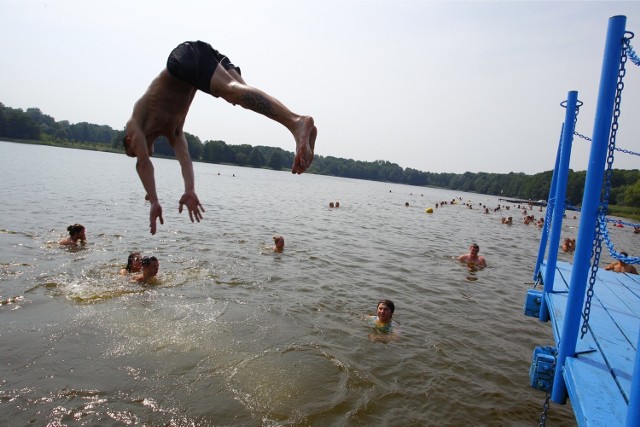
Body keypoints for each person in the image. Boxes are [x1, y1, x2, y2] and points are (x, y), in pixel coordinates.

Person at [123, 40, 318, 235]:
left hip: (183, 59)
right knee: (241, 96)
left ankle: (297, 123)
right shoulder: (172, 130)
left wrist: (155, 200)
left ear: (129, 141)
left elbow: (143, 164)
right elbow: (184, 159)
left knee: (232, 91)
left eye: (132, 153)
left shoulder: (136, 123)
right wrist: (190, 189)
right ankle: (301, 125)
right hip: (199, 62)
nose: (138, 153)